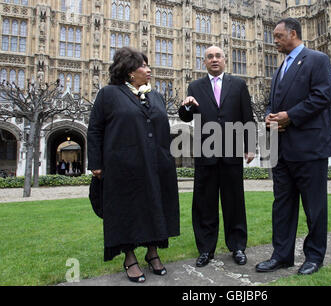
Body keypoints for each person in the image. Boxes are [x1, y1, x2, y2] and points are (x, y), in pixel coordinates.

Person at [87, 47, 180, 283]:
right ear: (130, 71)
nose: (149, 70)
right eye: (144, 66)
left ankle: (152, 252)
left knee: (154, 207)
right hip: (123, 166)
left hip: (156, 164)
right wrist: (96, 164)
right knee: (126, 211)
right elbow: (95, 129)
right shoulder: (108, 94)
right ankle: (129, 257)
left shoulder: (155, 96)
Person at [255, 18, 331, 275]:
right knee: (282, 205)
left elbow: (322, 96)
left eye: (278, 36)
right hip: (283, 149)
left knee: (314, 206)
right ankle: (282, 255)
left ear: (293, 33)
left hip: (309, 147)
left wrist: (291, 116)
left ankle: (314, 256)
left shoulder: (317, 59)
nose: (274, 41)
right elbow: (273, 103)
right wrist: (269, 117)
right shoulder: (280, 68)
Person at [178, 45, 255, 268]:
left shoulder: (238, 85)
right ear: (204, 62)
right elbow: (185, 117)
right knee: (205, 203)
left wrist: (249, 146)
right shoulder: (195, 86)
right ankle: (205, 249)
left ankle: (238, 247)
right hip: (206, 154)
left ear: (225, 60)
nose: (214, 59)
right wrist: (186, 106)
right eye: (209, 57)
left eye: (218, 56)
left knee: (235, 202)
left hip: (231, 153)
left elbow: (247, 117)